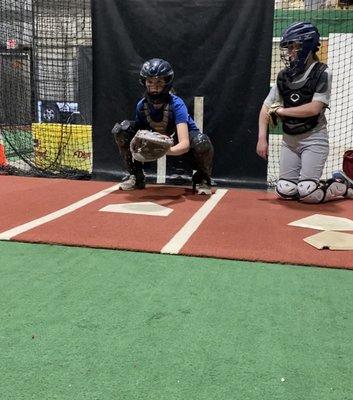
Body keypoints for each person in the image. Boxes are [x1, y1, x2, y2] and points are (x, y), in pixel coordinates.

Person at [256, 21, 353, 203]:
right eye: (289, 48)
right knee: (285, 190)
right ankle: (324, 184)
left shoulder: (322, 72)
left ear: (308, 47)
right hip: (289, 140)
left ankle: (342, 185)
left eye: (295, 47)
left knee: (307, 193)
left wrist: (283, 111)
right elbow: (266, 107)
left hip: (314, 138)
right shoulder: (284, 76)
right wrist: (262, 138)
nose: (290, 53)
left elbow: (314, 108)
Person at [112, 58, 214, 195]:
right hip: (156, 140)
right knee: (122, 131)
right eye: (150, 81)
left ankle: (203, 178)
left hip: (178, 142)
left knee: (201, 141)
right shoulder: (141, 106)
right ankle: (136, 176)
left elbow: (184, 144)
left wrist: (159, 150)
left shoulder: (177, 104)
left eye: (159, 81)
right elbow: (138, 135)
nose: (154, 86)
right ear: (144, 82)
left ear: (167, 81)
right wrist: (139, 147)